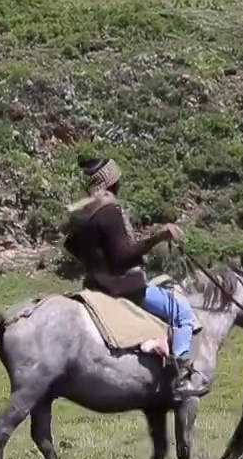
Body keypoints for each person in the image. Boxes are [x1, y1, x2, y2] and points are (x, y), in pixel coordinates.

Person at [61, 156, 206, 399]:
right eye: (118, 181)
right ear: (112, 183)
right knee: (181, 312)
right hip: (122, 286)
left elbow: (71, 245)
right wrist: (157, 238)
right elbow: (124, 256)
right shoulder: (109, 210)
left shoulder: (84, 213)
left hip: (95, 285)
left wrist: (97, 263)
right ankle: (180, 376)